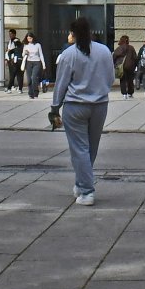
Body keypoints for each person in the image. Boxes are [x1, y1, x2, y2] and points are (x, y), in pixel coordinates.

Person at [50, 15, 116, 206]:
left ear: (73, 33)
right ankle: (81, 184)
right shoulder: (104, 51)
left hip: (75, 105)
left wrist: (55, 107)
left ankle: (87, 191)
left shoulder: (69, 54)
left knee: (79, 149)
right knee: (91, 149)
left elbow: (61, 84)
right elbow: (111, 77)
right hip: (100, 105)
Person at [21, 33, 46, 99]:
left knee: (34, 77)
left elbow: (41, 54)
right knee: (29, 79)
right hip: (29, 62)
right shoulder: (26, 45)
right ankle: (30, 94)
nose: (29, 40)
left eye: (30, 38)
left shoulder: (38, 45)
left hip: (37, 62)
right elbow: (23, 55)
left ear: (33, 38)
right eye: (28, 38)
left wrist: (43, 64)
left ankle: (35, 92)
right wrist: (25, 53)